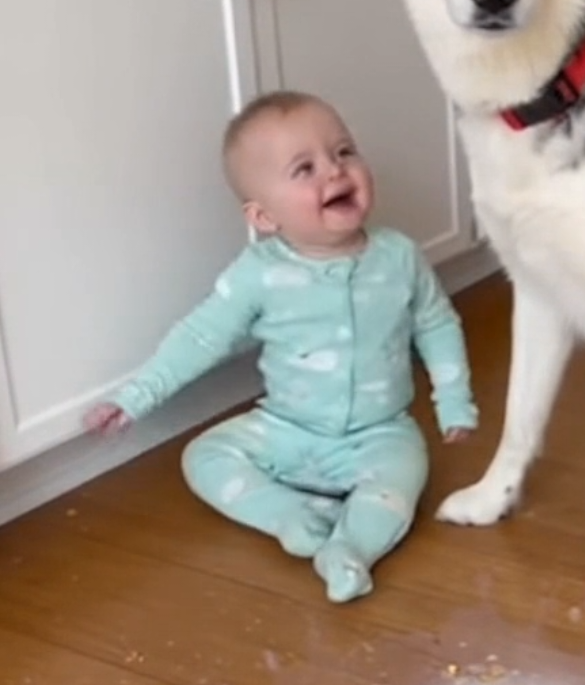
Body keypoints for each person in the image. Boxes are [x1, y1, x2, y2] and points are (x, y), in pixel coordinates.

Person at [84, 90, 478, 602]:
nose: (335, 171)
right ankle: (290, 517)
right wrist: (134, 397)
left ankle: (351, 550)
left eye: (344, 152)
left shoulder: (398, 256)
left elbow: (436, 323)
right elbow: (200, 335)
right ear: (264, 218)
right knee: (203, 456)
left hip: (379, 433)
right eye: (304, 169)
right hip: (285, 429)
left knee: (405, 473)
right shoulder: (259, 273)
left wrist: (454, 402)